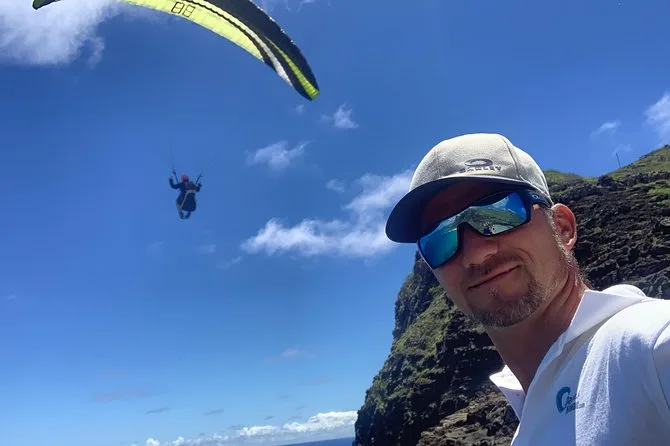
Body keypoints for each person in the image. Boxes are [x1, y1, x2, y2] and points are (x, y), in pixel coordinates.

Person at [384, 133, 670, 445]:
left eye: (498, 213)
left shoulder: (651, 346)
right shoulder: (527, 424)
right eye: (440, 239)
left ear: (562, 228)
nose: (475, 253)